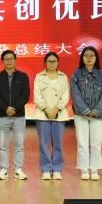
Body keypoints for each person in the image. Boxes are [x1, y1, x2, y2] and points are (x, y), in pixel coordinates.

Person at [0, 50, 30, 181]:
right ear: (2, 61)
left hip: (19, 116)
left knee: (19, 145)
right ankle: (3, 169)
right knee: (3, 145)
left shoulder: (23, 76)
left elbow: (25, 95)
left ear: (15, 60)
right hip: (3, 116)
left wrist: (15, 108)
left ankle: (18, 170)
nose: (9, 61)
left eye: (11, 58)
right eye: (6, 59)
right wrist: (5, 108)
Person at [71, 46, 102, 181]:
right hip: (81, 114)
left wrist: (96, 111)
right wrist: (86, 110)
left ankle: (95, 169)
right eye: (86, 55)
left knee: (96, 143)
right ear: (82, 58)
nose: (89, 58)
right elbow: (75, 95)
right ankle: (84, 169)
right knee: (82, 143)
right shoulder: (76, 74)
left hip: (97, 115)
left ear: (96, 58)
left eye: (92, 55)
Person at [34, 52, 70, 181]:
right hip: (42, 114)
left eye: (54, 61)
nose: (52, 63)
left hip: (59, 114)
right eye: (49, 61)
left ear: (58, 62)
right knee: (43, 143)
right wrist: (46, 109)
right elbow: (37, 95)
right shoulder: (39, 77)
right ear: (45, 63)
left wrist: (56, 109)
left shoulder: (63, 77)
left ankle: (57, 169)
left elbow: (65, 96)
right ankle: (46, 169)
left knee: (58, 143)